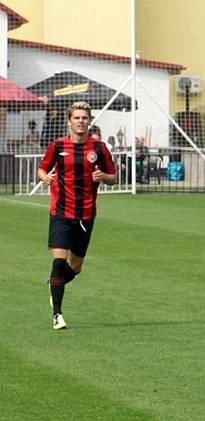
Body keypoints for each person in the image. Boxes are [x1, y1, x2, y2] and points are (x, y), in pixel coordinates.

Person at [37, 101, 117, 330]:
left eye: (84, 118)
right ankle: (57, 314)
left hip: (86, 214)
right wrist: (44, 177)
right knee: (59, 260)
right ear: (69, 121)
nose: (81, 121)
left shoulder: (99, 149)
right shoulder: (57, 146)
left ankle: (56, 285)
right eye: (77, 118)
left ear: (89, 120)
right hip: (61, 212)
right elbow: (42, 168)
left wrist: (103, 175)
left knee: (76, 266)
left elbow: (114, 177)